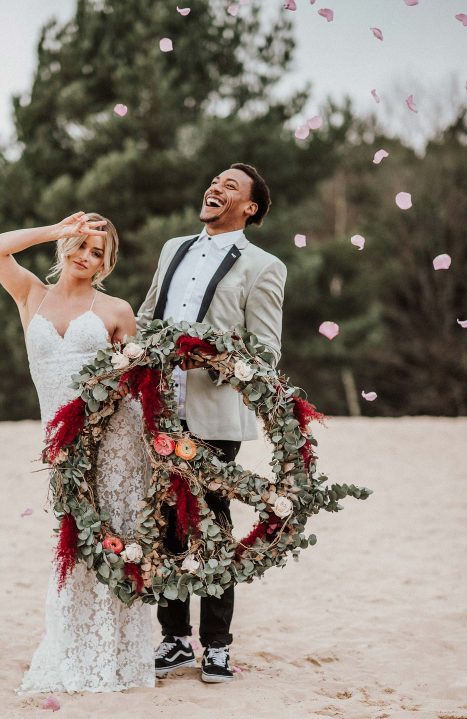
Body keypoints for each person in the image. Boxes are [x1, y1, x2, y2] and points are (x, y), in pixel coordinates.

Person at [137, 163, 287, 683]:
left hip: (215, 413)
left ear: (250, 208)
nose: (216, 188)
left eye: (231, 187)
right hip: (159, 407)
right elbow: (147, 316)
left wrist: (211, 358)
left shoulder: (264, 266)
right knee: (166, 522)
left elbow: (266, 350)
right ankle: (174, 640)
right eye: (215, 181)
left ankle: (217, 645)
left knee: (210, 521)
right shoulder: (172, 248)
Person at [0, 212, 155, 693]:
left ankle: (119, 655)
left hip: (117, 443)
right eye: (80, 245)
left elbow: (142, 386)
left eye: (96, 253)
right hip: (63, 444)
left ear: (105, 264)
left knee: (115, 537)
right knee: (74, 540)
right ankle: (74, 645)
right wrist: (54, 230)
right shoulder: (31, 295)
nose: (84, 257)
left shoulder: (116, 310)